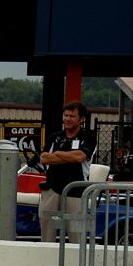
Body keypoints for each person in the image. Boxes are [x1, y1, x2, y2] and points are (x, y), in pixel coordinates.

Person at [39, 101, 94, 243]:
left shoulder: (87, 138)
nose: (68, 119)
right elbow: (44, 158)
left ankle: (77, 263)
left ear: (81, 119)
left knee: (76, 233)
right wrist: (68, 156)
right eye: (66, 115)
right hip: (52, 188)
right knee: (47, 231)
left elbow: (80, 157)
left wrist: (57, 153)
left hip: (75, 191)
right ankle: (47, 261)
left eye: (72, 116)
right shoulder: (55, 136)